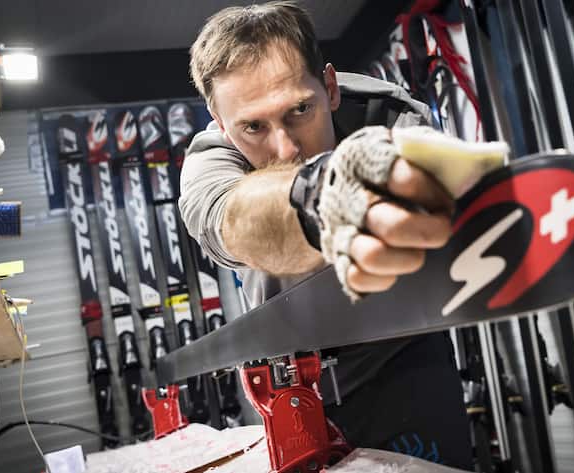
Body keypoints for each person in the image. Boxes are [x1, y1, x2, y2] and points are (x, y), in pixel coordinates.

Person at [179, 1, 472, 468]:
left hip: (402, 361)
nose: (286, 147)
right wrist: (320, 194)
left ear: (330, 87)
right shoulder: (209, 158)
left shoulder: (390, 118)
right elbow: (226, 219)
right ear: (219, 123)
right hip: (291, 382)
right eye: (253, 126)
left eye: (300, 110)